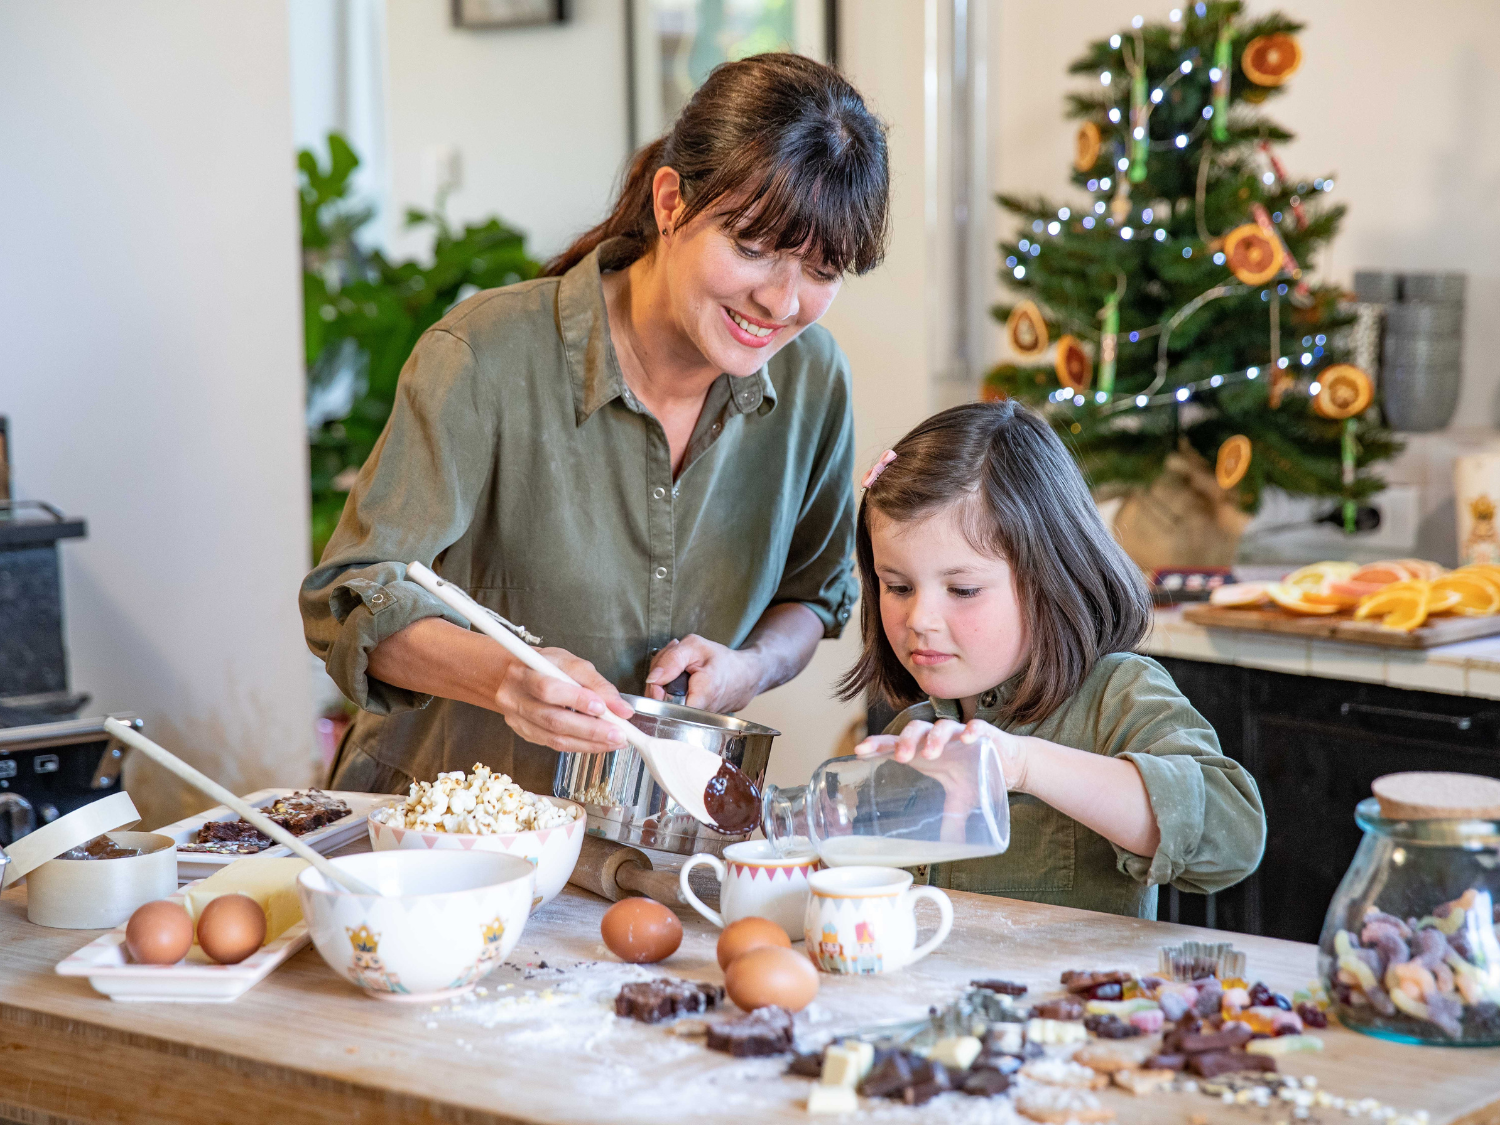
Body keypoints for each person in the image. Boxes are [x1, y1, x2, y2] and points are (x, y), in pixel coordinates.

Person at [300, 53, 889, 797]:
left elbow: (813, 588)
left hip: (646, 835)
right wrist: (510, 679)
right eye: (752, 247)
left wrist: (750, 666)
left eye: (823, 271)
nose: (782, 302)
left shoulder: (813, 379)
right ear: (671, 202)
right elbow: (350, 593)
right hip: (440, 828)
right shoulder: (485, 356)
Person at [841, 400, 1265, 918]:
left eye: (965, 589)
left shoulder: (1118, 697)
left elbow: (1233, 839)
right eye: (898, 586)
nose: (920, 618)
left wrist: (1022, 764)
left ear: (1050, 579)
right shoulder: (913, 734)